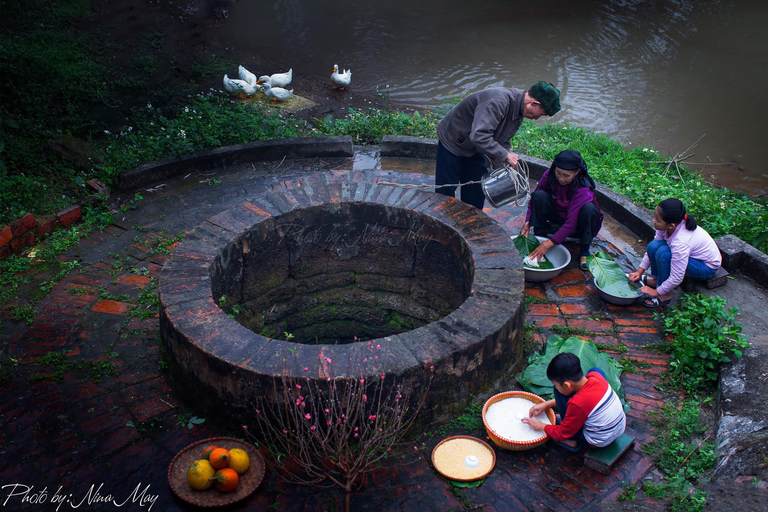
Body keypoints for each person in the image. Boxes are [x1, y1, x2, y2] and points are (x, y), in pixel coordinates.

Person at [435, 81, 561, 210]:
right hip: (453, 140)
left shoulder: (519, 109)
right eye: (542, 114)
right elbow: (479, 136)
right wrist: (505, 155)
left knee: (476, 190)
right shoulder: (498, 101)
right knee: (446, 188)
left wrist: (504, 167)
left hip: (475, 146)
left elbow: (503, 140)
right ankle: (440, 219)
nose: (537, 118)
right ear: (534, 104)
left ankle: (470, 220)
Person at [522, 353, 626, 452]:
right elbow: (586, 402)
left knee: (560, 394)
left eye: (556, 384)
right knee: (596, 370)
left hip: (596, 440)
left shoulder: (577, 404)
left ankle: (571, 441)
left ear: (567, 385)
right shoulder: (596, 377)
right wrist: (546, 404)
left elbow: (563, 433)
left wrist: (541, 426)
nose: (556, 386)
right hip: (619, 428)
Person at [628, 198, 722, 308]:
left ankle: (665, 294)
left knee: (664, 254)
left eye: (657, 220)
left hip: (706, 266)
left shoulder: (681, 242)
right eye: (655, 217)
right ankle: (658, 280)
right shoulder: (665, 226)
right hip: (691, 257)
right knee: (654, 246)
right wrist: (639, 271)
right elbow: (653, 247)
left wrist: (656, 292)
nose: (654, 221)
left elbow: (677, 277)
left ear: (671, 226)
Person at [519, 149, 603, 270]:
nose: (561, 178)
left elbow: (571, 223)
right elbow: (534, 200)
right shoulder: (549, 175)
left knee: (589, 209)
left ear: (576, 172)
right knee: (539, 196)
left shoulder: (583, 190)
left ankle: (584, 250)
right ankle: (540, 235)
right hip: (558, 216)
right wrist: (527, 222)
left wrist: (548, 244)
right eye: (559, 173)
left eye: (566, 175)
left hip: (577, 225)